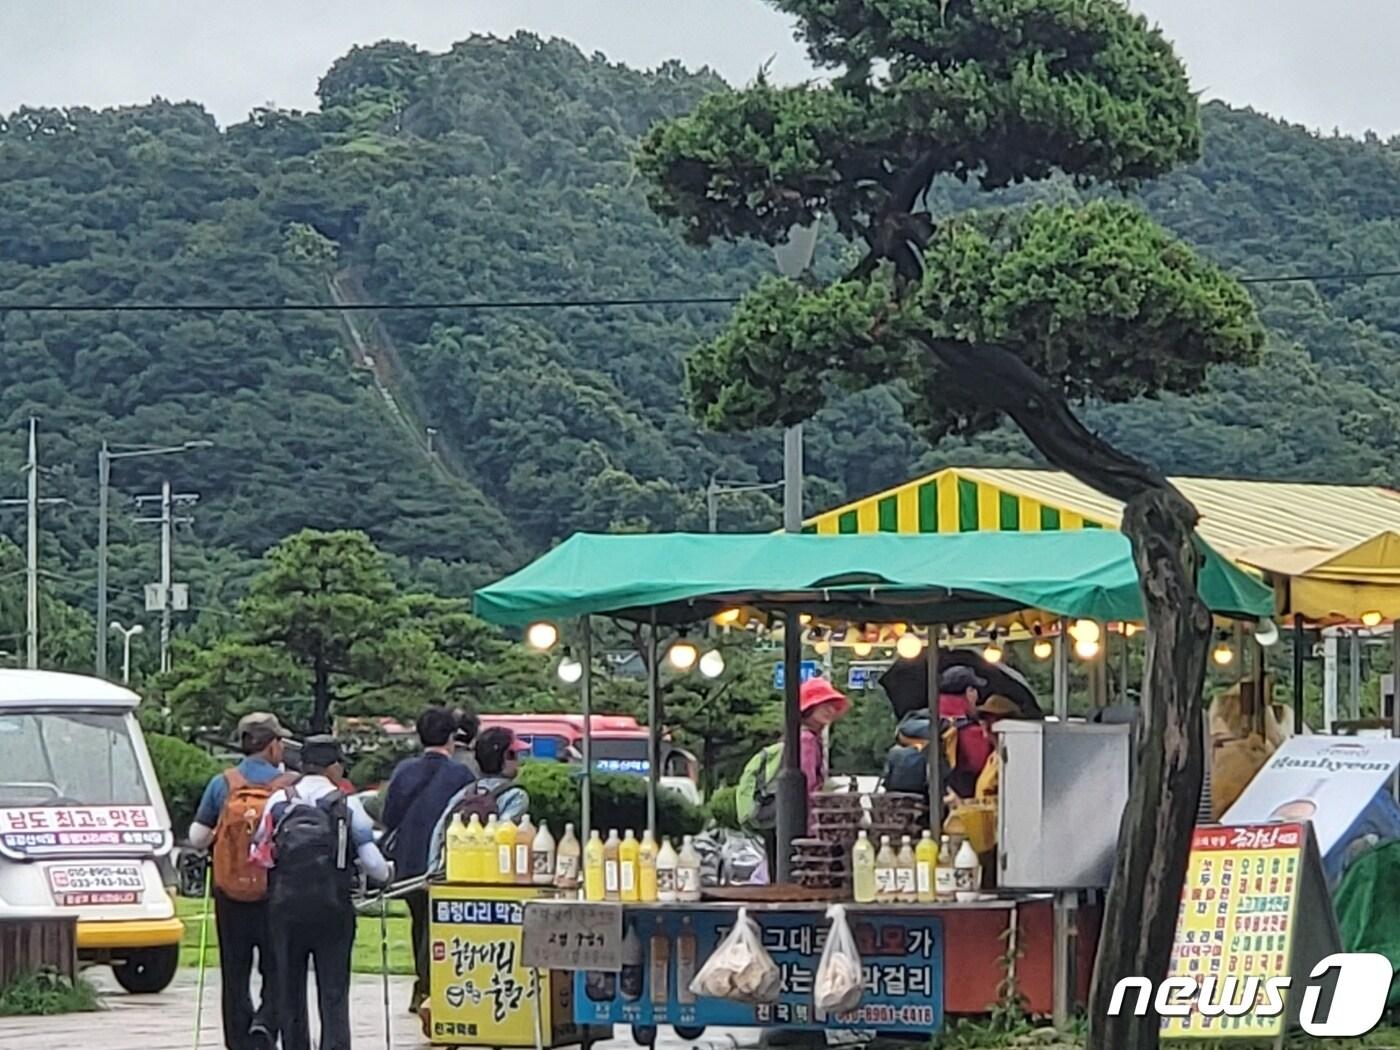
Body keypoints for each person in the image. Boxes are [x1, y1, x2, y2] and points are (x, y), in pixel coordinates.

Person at [254, 736, 390, 1050]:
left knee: (289, 987)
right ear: (334, 767)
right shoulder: (346, 804)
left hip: (285, 907)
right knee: (333, 990)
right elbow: (376, 867)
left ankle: (294, 1044)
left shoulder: (279, 800)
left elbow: (259, 848)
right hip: (332, 907)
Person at [188, 712, 297, 1050]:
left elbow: (198, 837)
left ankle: (238, 1039)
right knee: (277, 968)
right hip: (274, 893)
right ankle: (266, 1024)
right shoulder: (289, 786)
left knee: (235, 973)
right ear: (273, 746)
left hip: (229, 892)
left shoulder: (223, 783)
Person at [382, 707, 475, 1014]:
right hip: (445, 863)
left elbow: (389, 816)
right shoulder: (461, 774)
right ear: (452, 736)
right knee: (437, 926)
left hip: (408, 861)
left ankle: (423, 984)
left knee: (420, 922)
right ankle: (428, 988)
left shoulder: (403, 771)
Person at [429, 726, 530, 873]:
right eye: (514, 755)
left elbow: (440, 831)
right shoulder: (516, 796)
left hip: (458, 872)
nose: (519, 761)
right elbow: (502, 836)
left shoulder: (466, 792)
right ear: (505, 757)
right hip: (492, 875)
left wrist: (433, 871)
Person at [798, 677, 850, 830]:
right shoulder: (806, 740)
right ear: (810, 707)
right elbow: (808, 787)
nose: (831, 710)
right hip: (805, 822)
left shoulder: (804, 736)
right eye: (825, 705)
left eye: (833, 706)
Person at [938, 666, 995, 798]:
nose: (978, 696)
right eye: (975, 690)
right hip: (959, 803)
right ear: (969, 691)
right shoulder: (970, 731)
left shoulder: (930, 718)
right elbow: (982, 769)